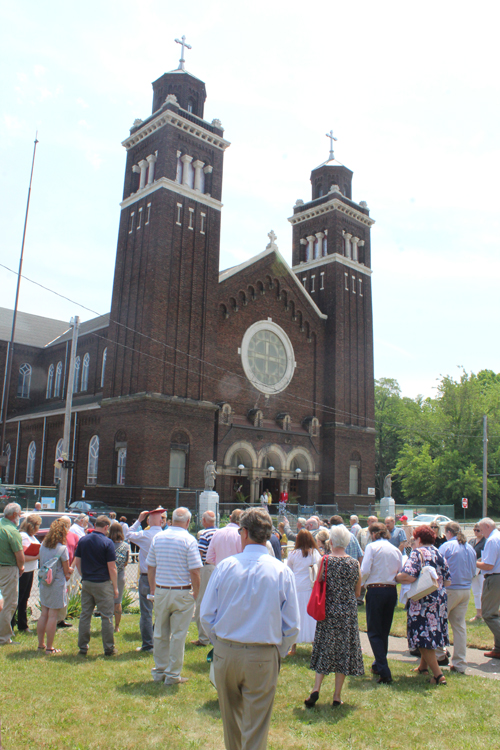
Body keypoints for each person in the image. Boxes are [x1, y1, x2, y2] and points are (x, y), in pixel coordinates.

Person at [201, 508, 299, 750]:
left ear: (243, 532)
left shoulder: (225, 567)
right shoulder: (281, 571)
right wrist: (279, 650)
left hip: (227, 651)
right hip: (262, 654)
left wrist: (220, 642)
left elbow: (206, 615)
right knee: (256, 729)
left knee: (231, 726)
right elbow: (292, 625)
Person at [305, 524, 364, 707]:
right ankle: (337, 696)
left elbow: (319, 580)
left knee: (324, 647)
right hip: (347, 612)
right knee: (343, 651)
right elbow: (357, 591)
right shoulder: (354, 563)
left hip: (328, 611)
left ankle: (316, 688)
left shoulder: (326, 560)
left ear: (331, 542)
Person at [146, 507, 202, 685]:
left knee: (160, 632)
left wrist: (153, 589)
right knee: (178, 635)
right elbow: (194, 571)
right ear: (187, 522)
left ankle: (160, 670)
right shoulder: (189, 540)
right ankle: (172, 674)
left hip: (162, 589)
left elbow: (151, 566)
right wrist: (196, 592)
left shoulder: (158, 537)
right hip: (181, 590)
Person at [396, 525, 451, 685]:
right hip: (439, 600)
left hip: (422, 602)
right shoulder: (439, 553)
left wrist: (396, 577)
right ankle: (422, 667)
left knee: (421, 636)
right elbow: (448, 580)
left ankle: (438, 675)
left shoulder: (417, 553)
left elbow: (409, 576)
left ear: (418, 539)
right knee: (431, 635)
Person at [360, 522, 402, 684]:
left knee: (374, 631)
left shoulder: (372, 547)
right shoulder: (395, 549)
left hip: (376, 590)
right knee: (383, 630)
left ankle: (384, 670)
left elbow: (365, 570)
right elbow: (400, 569)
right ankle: (378, 664)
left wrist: (361, 584)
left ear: (375, 534)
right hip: (390, 590)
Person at [435, 521, 477, 673]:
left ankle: (439, 654)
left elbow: (438, 568)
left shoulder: (446, 546)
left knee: (439, 621)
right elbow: (474, 571)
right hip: (465, 590)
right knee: (459, 627)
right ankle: (459, 663)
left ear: (448, 533)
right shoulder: (470, 548)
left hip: (450, 589)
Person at [74, 515, 118, 657]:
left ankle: (82, 647)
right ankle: (108, 648)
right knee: (106, 616)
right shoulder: (108, 542)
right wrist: (115, 587)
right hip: (102, 583)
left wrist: (83, 575)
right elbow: (112, 567)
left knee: (85, 615)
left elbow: (78, 562)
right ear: (106, 527)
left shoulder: (83, 540)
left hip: (87, 581)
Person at [126, 507, 164, 652]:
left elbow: (126, 534)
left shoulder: (145, 535)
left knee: (146, 612)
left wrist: (138, 520)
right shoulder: (164, 536)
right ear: (161, 521)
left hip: (147, 576)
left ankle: (148, 644)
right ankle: (159, 640)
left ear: (148, 520)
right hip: (161, 577)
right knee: (161, 612)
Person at [37, 518, 73, 655]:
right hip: (57, 584)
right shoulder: (62, 549)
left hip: (44, 582)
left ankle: (41, 644)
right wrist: (70, 571)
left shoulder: (43, 545)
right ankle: (49, 648)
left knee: (43, 614)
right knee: (53, 616)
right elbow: (66, 571)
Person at [286, 529, 321, 656]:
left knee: (296, 615)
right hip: (310, 587)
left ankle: (293, 647)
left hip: (296, 587)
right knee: (311, 616)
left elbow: (289, 570)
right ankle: (314, 644)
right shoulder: (315, 553)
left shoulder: (293, 554)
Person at [12, 513, 41, 633]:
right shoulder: (23, 536)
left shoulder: (31, 536)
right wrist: (37, 556)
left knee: (25, 598)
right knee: (19, 598)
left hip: (30, 570)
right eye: (38, 525)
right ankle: (12, 624)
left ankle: (23, 625)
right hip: (24, 570)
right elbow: (22, 555)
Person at [191, 510, 217, 647]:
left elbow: (199, 555)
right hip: (219, 568)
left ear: (205, 521)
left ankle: (203, 637)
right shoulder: (219, 533)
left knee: (201, 601)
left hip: (206, 568)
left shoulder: (205, 534)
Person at [0, 502, 24, 645]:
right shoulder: (12, 531)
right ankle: (3, 637)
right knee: (8, 603)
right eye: (19, 514)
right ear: (15, 515)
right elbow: (20, 556)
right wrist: (21, 567)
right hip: (7, 569)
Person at [476, 518, 500, 659]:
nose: (480, 532)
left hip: (494, 578)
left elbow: (489, 565)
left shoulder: (492, 540)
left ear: (487, 526)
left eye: (480, 529)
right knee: (495, 614)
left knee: (488, 614)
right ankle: (498, 648)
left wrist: (474, 562)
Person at [108, 522, 130, 633]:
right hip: (120, 574)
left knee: (107, 601)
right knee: (118, 602)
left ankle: (108, 624)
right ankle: (117, 626)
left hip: (108, 575)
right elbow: (126, 562)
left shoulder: (107, 544)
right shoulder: (126, 546)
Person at [469, 523, 486, 620]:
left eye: (478, 530)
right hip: (473, 570)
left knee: (483, 592)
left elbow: (486, 555)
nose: (476, 532)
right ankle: (478, 613)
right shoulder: (471, 541)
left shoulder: (486, 541)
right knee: (476, 592)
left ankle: (485, 612)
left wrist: (476, 562)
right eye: (474, 530)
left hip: (482, 570)